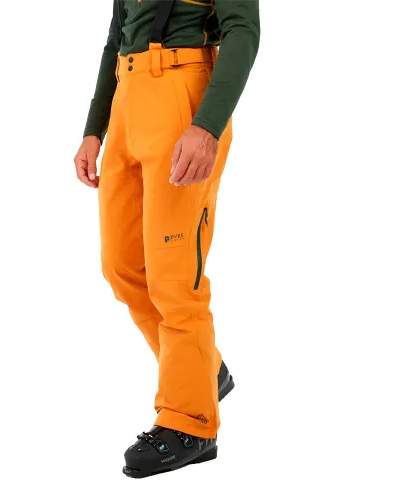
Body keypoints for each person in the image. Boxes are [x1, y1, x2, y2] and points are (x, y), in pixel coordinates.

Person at [74, 0, 260, 478]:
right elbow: (116, 36)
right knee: (122, 267)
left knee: (174, 278)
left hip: (183, 94)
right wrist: (94, 129)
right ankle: (204, 370)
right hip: (127, 96)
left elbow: (243, 30)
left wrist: (207, 125)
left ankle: (190, 421)